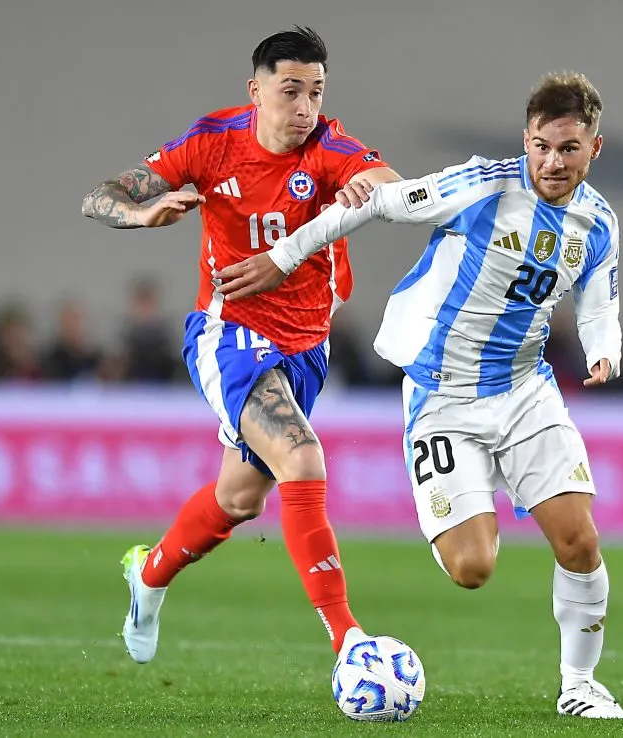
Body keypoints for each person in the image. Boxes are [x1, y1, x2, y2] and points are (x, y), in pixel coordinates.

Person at [218, 72, 623, 719]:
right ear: (526, 139)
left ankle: (580, 686)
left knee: (579, 541)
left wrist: (607, 346)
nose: (552, 162)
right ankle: (456, 501)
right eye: (542, 146)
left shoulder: (598, 222)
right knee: (472, 567)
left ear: (594, 150)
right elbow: (381, 204)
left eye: (569, 149)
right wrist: (286, 256)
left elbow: (600, 300)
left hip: (524, 392)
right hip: (443, 398)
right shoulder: (483, 186)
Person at [82, 26, 401, 664]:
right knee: (302, 458)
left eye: (316, 92)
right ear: (255, 91)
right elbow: (100, 198)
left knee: (238, 499)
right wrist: (142, 214)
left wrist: (380, 192)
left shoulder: (330, 146)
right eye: (290, 91)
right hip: (230, 334)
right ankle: (350, 642)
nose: (305, 108)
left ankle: (147, 575)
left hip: (308, 347)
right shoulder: (212, 143)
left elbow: (395, 185)